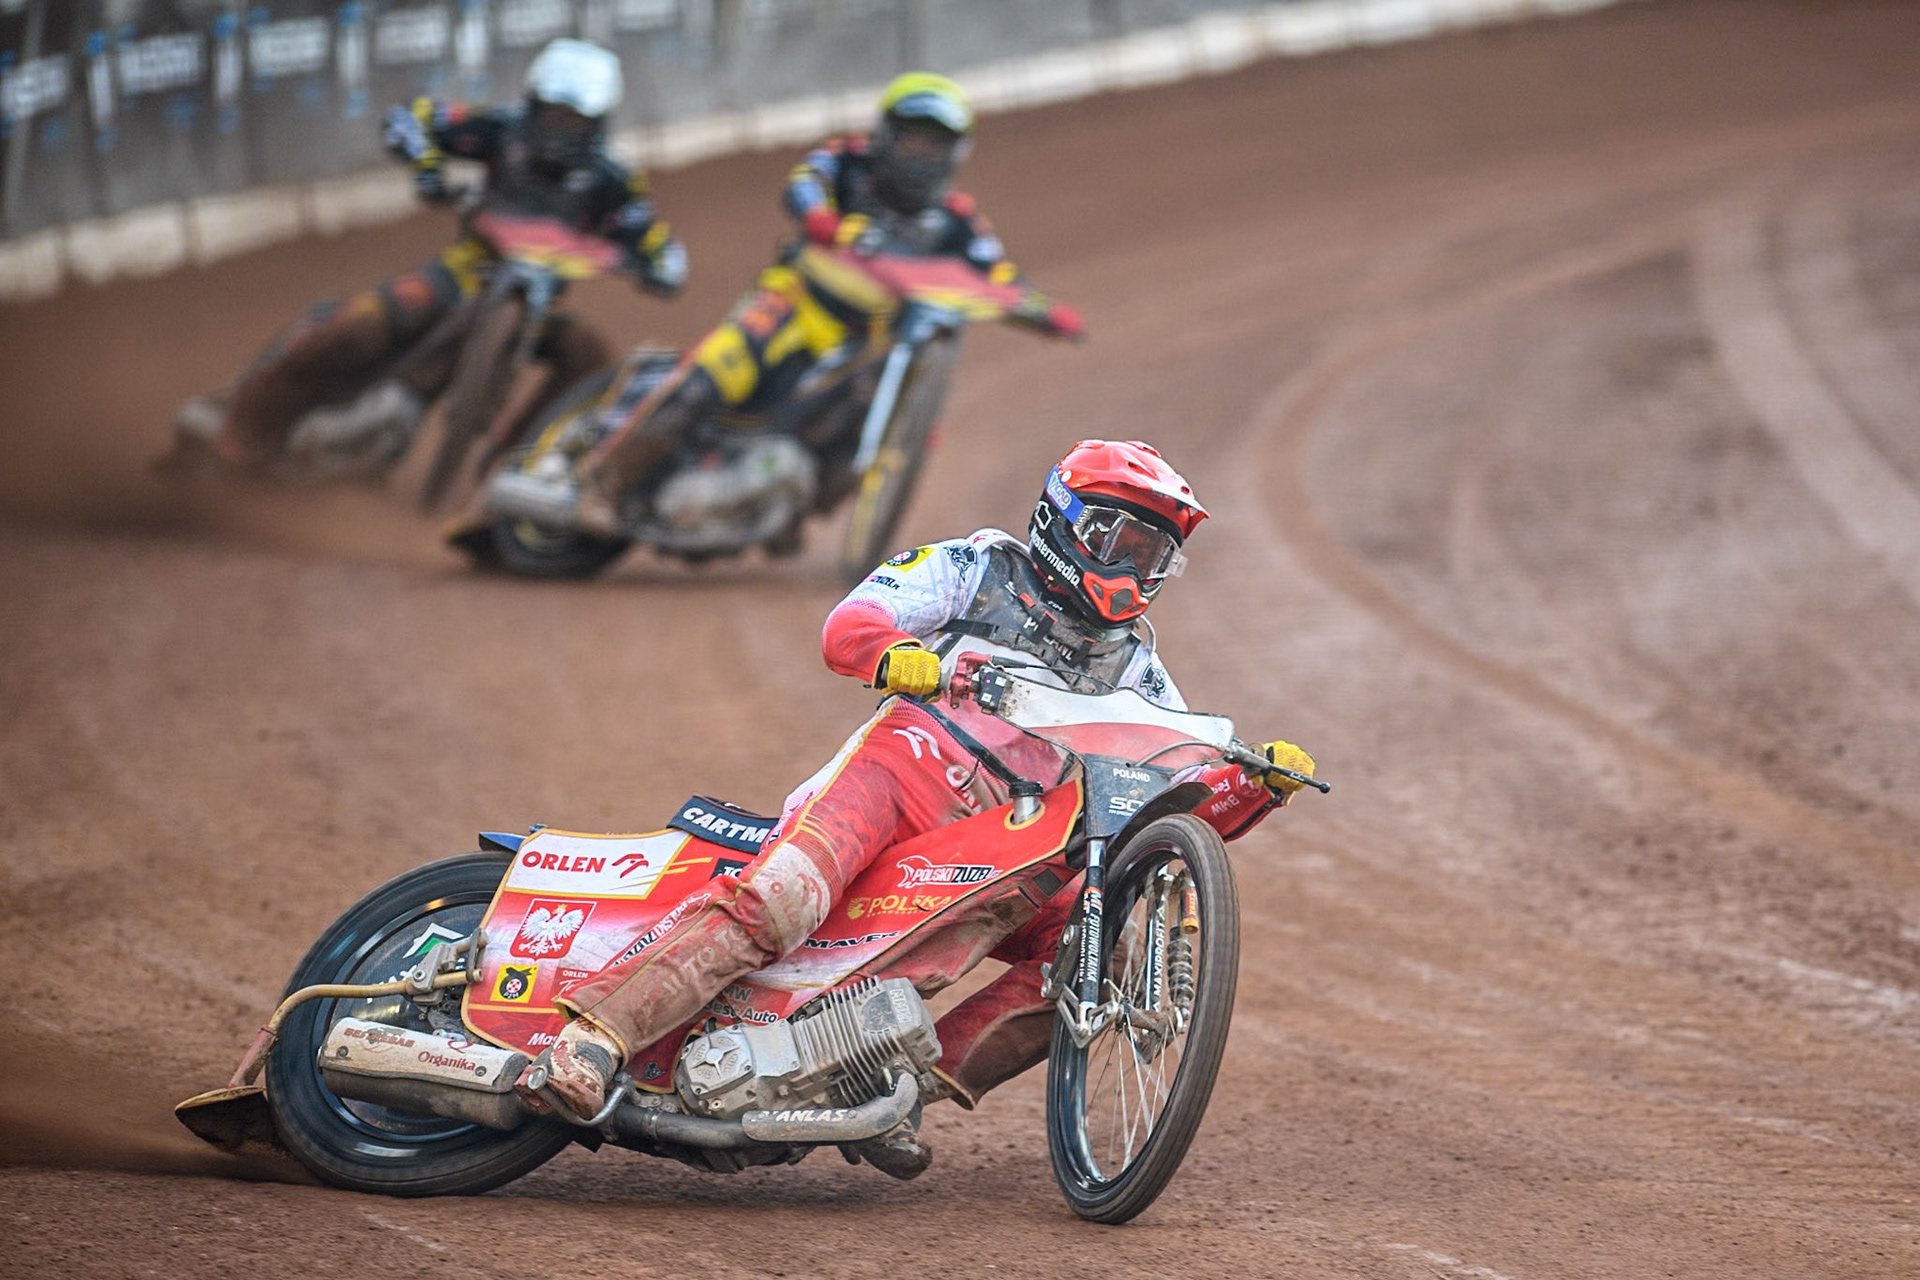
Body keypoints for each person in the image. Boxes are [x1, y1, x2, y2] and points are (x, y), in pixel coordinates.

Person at [521, 440, 1317, 1177]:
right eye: (1119, 540)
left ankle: (895, 1090)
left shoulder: (1138, 668)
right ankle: (592, 1039)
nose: (1133, 566)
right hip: (899, 774)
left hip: (1008, 842)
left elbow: (1172, 796)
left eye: (1152, 554)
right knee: (783, 898)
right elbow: (850, 625)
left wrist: (1254, 785)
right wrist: (895, 654)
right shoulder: (976, 567)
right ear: (1063, 522)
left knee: (1099, 956)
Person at [486, 70, 1085, 536]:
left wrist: (1043, 311)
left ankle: (791, 503)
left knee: (874, 406)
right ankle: (601, 484)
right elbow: (803, 185)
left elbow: (996, 272)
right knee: (709, 377)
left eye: (934, 147)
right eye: (911, 139)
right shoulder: (846, 162)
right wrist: (825, 222)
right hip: (791, 308)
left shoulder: (957, 218)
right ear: (886, 134)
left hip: (866, 342)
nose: (918, 156)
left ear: (953, 156)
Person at [170, 38, 688, 475]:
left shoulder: (614, 181)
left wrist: (656, 266)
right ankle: (240, 436)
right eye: (554, 114)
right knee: (351, 327)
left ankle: (518, 464)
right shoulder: (500, 129)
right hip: (460, 277)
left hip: (541, 306)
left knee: (588, 357)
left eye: (576, 121)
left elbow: (656, 242)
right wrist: (427, 169)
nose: (561, 130)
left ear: (598, 122)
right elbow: (411, 120)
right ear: (533, 103)